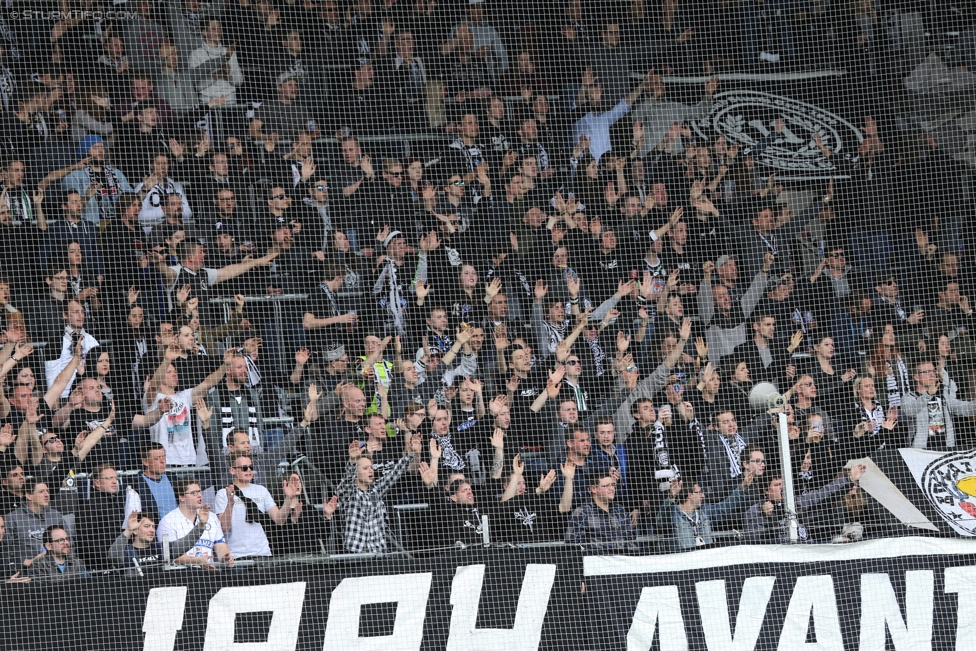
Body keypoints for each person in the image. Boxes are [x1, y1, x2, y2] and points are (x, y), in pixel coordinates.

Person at [330, 433, 423, 553]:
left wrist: (411, 453)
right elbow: (346, 481)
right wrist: (352, 461)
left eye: (371, 467)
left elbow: (395, 473)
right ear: (356, 472)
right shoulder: (349, 492)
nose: (370, 471)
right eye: (365, 468)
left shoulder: (376, 490)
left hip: (378, 553)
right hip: (355, 554)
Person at [745, 464, 867, 543]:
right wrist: (764, 516)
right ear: (766, 490)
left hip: (809, 551)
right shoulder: (755, 510)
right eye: (777, 485)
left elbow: (824, 493)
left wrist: (848, 479)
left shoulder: (797, 501)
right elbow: (752, 539)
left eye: (783, 485)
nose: (782, 489)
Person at [213, 454, 302, 559]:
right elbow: (224, 527)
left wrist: (288, 498)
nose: (249, 470)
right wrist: (230, 503)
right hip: (237, 554)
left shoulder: (261, 490)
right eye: (244, 468)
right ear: (232, 470)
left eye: (251, 467)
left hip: (263, 552)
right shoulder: (223, 493)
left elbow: (279, 519)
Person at [655, 466, 757, 552]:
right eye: (699, 492)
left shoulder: (704, 512)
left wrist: (743, 486)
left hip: (707, 564)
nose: (703, 495)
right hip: (685, 567)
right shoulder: (673, 514)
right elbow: (660, 522)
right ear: (690, 495)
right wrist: (671, 497)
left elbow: (725, 507)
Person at [157, 478, 234, 569]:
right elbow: (170, 555)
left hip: (208, 573)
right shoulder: (167, 521)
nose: (199, 495)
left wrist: (225, 557)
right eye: (194, 493)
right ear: (181, 497)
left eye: (199, 492)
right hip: (180, 575)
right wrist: (198, 561)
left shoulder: (212, 517)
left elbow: (220, 545)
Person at [901, 359, 976, 450]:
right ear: (916, 377)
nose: (932, 374)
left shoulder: (943, 397)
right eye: (927, 372)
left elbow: (967, 408)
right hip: (920, 452)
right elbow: (910, 411)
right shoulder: (910, 397)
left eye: (933, 371)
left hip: (946, 449)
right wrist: (928, 394)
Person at [565, 467, 637, 552]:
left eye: (613, 485)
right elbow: (572, 545)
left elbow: (631, 541)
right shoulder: (582, 513)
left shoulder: (620, 510)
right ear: (593, 489)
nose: (611, 488)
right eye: (606, 486)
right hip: (593, 562)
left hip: (622, 562)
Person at [5, 480, 65, 566]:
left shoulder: (56, 516)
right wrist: (24, 562)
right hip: (26, 572)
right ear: (29, 495)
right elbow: (5, 549)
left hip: (57, 569)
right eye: (41, 492)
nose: (47, 495)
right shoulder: (12, 518)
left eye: (47, 491)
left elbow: (70, 543)